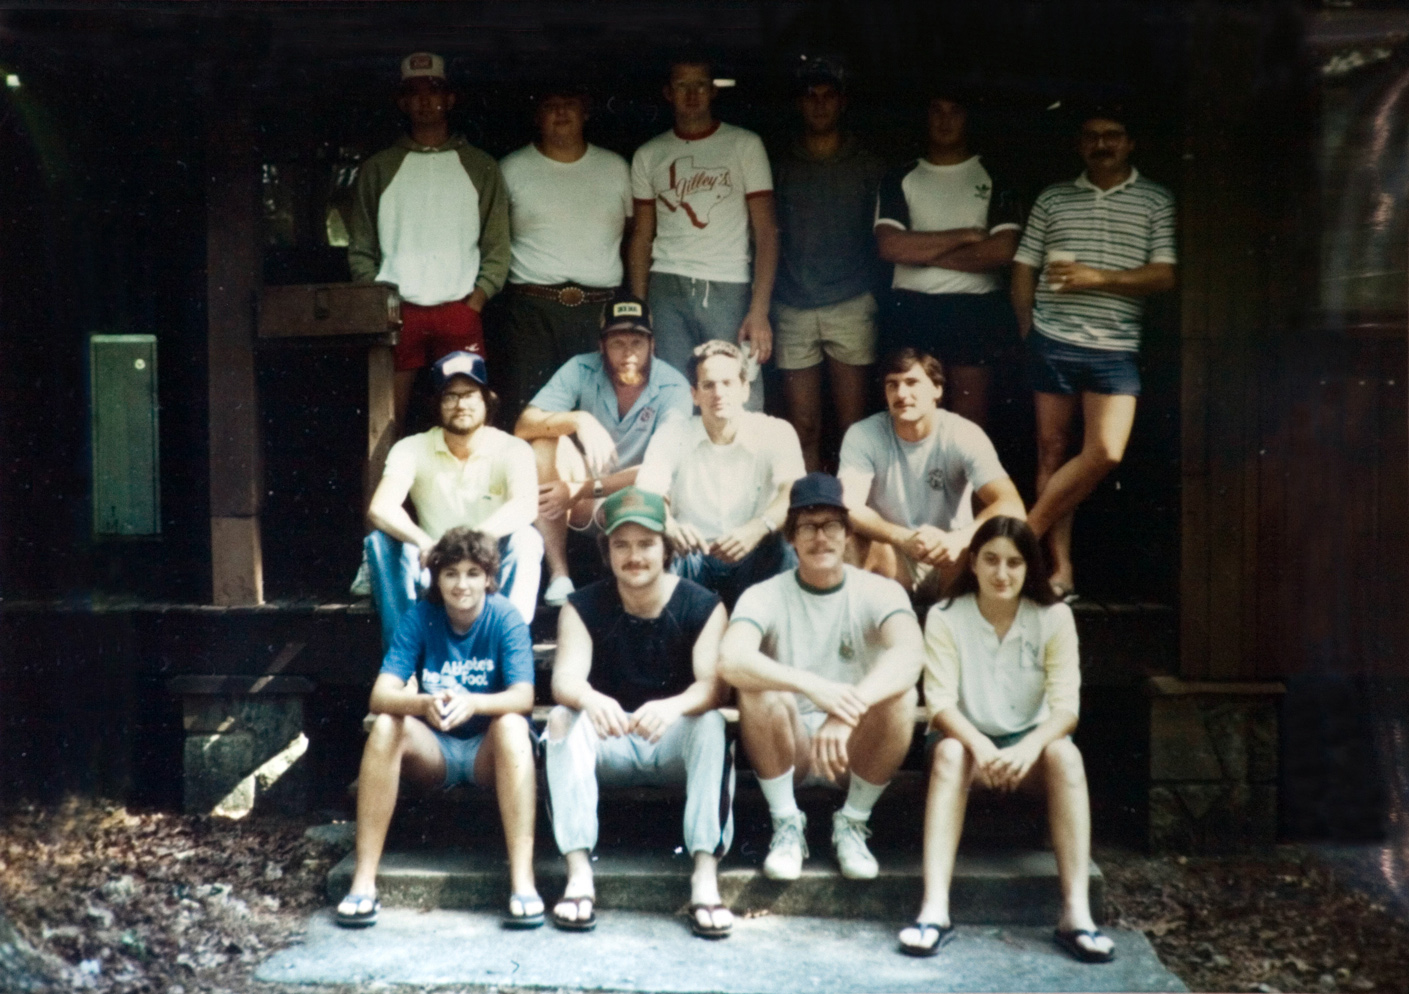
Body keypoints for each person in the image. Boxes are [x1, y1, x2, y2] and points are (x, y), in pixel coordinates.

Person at [899, 516, 1114, 963]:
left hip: (1029, 752)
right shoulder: (944, 617)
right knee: (950, 753)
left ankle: (1076, 914)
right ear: (972, 562)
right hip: (966, 747)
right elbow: (939, 705)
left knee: (1066, 756)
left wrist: (1025, 749)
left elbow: (1066, 709)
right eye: (991, 560)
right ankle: (934, 910)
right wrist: (983, 748)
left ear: (1029, 568)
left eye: (1015, 563)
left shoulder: (1054, 618)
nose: (1002, 573)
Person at [544, 487, 734, 938]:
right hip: (611, 742)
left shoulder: (701, 605)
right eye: (621, 545)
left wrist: (674, 707)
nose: (634, 556)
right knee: (560, 720)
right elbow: (565, 681)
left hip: (669, 743)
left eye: (646, 544)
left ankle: (705, 878)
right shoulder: (583, 605)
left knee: (710, 724)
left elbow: (714, 687)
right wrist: (591, 699)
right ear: (606, 551)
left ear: (666, 549)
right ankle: (578, 876)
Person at [719, 473, 924, 881]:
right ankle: (786, 824)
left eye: (831, 525)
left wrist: (847, 711)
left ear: (848, 534)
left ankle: (852, 822)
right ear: (791, 537)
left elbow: (911, 653)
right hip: (789, 744)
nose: (820, 537)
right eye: (807, 527)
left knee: (901, 695)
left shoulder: (878, 591)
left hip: (852, 747)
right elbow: (730, 659)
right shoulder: (765, 594)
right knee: (760, 689)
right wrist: (813, 685)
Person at [336, 527, 542, 930]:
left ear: (488, 577)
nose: (461, 584)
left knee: (514, 727)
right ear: (435, 577)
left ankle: (523, 882)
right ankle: (363, 883)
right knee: (384, 727)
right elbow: (381, 695)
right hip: (436, 750)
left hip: (487, 750)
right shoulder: (421, 616)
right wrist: (423, 704)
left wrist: (475, 703)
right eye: (450, 573)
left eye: (471, 573)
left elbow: (523, 697)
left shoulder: (505, 617)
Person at [1011, 107, 1177, 599]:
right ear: (1079, 145)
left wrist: (1098, 278)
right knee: (1052, 449)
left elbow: (1164, 275)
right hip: (1053, 340)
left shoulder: (1155, 200)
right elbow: (1024, 267)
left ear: (1130, 144)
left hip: (1115, 346)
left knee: (1105, 451)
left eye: (1113, 135)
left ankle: (1022, 534)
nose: (1101, 144)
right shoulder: (1054, 198)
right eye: (1091, 136)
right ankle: (1059, 572)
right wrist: (1028, 330)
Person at [348, 52, 511, 435]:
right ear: (402, 102)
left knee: (467, 415)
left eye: (433, 91)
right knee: (386, 417)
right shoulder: (380, 167)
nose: (424, 101)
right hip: (398, 311)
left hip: (459, 308)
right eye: (413, 93)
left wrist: (478, 299)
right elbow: (360, 246)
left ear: (449, 99)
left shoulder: (481, 165)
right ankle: (384, 495)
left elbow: (497, 244)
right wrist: (377, 296)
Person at [515, 293, 693, 606]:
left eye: (637, 342)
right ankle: (559, 576)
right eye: (617, 343)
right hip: (584, 498)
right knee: (543, 443)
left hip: (644, 495)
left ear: (653, 345)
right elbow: (525, 424)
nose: (628, 354)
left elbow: (662, 468)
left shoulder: (673, 386)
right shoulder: (581, 368)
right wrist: (577, 419)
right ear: (601, 346)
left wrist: (582, 488)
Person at [626, 54, 776, 411]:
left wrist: (759, 310)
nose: (692, 94)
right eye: (682, 85)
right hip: (667, 285)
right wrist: (640, 310)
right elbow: (642, 236)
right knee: (675, 396)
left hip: (728, 284)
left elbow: (767, 231)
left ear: (712, 91)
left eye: (700, 85)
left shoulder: (744, 144)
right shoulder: (650, 153)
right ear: (668, 93)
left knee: (736, 392)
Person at [365, 351, 542, 647]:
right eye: (450, 396)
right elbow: (381, 507)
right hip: (433, 566)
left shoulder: (513, 448)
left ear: (487, 400)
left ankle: (508, 647)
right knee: (379, 542)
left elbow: (525, 505)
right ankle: (403, 655)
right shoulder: (412, 447)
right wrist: (423, 542)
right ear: (437, 405)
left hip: (487, 569)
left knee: (527, 539)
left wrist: (475, 541)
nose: (461, 404)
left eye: (470, 394)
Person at [874, 90, 1023, 428]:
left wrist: (922, 252)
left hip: (975, 309)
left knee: (969, 423)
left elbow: (1003, 251)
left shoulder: (993, 173)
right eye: (936, 110)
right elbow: (891, 247)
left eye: (955, 111)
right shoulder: (900, 176)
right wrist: (966, 235)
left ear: (968, 118)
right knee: (913, 419)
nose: (945, 120)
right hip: (912, 308)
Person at [771, 57, 886, 471]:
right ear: (799, 104)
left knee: (853, 426)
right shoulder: (780, 162)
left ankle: (852, 523)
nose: (819, 105)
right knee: (803, 424)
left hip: (850, 300)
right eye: (810, 96)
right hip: (792, 303)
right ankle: (811, 514)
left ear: (842, 102)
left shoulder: (868, 163)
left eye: (828, 96)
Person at [494, 83, 634, 423]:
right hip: (531, 312)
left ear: (585, 113)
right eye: (551, 104)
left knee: (599, 412)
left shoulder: (615, 167)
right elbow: (495, 239)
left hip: (598, 311)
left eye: (569, 103)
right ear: (537, 116)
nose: (561, 112)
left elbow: (633, 235)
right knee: (532, 413)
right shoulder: (511, 168)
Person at [838, 348, 1026, 603]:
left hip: (950, 556)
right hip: (894, 555)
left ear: (937, 389)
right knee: (848, 539)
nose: (902, 394)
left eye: (912, 383)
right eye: (892, 385)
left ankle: (958, 626)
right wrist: (902, 538)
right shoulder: (864, 434)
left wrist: (957, 539)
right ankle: (870, 630)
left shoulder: (962, 433)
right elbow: (848, 506)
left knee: (991, 542)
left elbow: (1012, 506)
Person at [637, 340, 804, 609]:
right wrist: (670, 525)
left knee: (785, 543)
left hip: (755, 550)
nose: (718, 393)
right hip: (693, 557)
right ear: (694, 394)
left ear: (745, 389)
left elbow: (793, 492)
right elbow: (646, 495)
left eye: (728, 383)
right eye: (708, 385)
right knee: (660, 539)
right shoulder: (672, 434)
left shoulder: (776, 431)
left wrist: (758, 527)